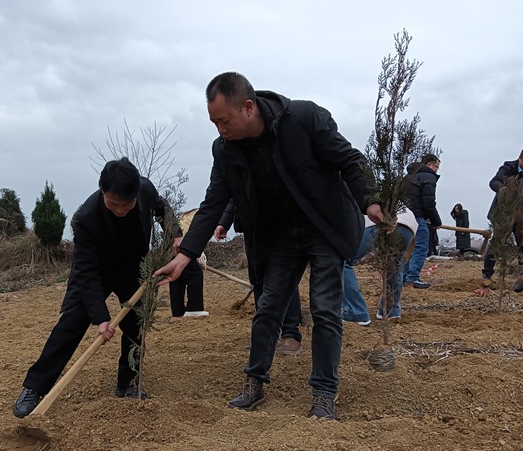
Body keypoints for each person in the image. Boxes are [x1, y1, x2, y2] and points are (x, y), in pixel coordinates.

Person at [154, 72, 382, 420]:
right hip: (279, 237)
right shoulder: (226, 150)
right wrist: (186, 254)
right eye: (214, 122)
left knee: (324, 309)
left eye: (224, 121)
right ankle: (254, 383)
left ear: (248, 107)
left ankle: (324, 393)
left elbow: (350, 160)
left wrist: (370, 200)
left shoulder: (304, 119)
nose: (220, 130)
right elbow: (215, 201)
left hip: (324, 228)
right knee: (268, 306)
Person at [13, 157, 180, 418]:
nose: (121, 210)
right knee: (70, 324)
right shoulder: (86, 218)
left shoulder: (145, 189)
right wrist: (101, 318)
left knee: (137, 325)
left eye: (127, 204)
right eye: (113, 204)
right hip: (96, 271)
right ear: (103, 192)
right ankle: (34, 387)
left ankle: (128, 382)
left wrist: (176, 234)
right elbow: (85, 272)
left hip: (133, 269)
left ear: (137, 194)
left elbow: (162, 210)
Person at [215, 201, 303, 354]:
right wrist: (224, 222)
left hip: (281, 224)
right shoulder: (241, 175)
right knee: (258, 280)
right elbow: (236, 192)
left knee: (286, 279)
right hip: (252, 227)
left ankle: (291, 335)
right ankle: (265, 337)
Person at [342, 208, 418, 324]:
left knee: (341, 260)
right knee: (394, 265)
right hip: (408, 222)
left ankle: (355, 312)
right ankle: (390, 310)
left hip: (375, 221)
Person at [481, 146, 523, 290]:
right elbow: (494, 182)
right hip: (504, 213)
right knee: (498, 243)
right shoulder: (508, 167)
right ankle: (487, 275)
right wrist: (505, 190)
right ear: (520, 158)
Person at [404, 154, 442, 288]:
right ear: (430, 164)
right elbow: (429, 202)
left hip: (405, 216)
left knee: (407, 247)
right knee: (421, 247)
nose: (437, 170)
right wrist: (436, 221)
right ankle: (412, 277)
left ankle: (403, 277)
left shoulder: (408, 177)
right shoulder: (428, 177)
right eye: (437, 166)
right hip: (418, 217)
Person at [169, 209, 209, 317]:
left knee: (177, 278)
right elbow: (195, 236)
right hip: (184, 247)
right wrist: (200, 257)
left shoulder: (192, 214)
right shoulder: (205, 215)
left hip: (171, 248)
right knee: (195, 274)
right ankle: (194, 308)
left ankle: (177, 312)